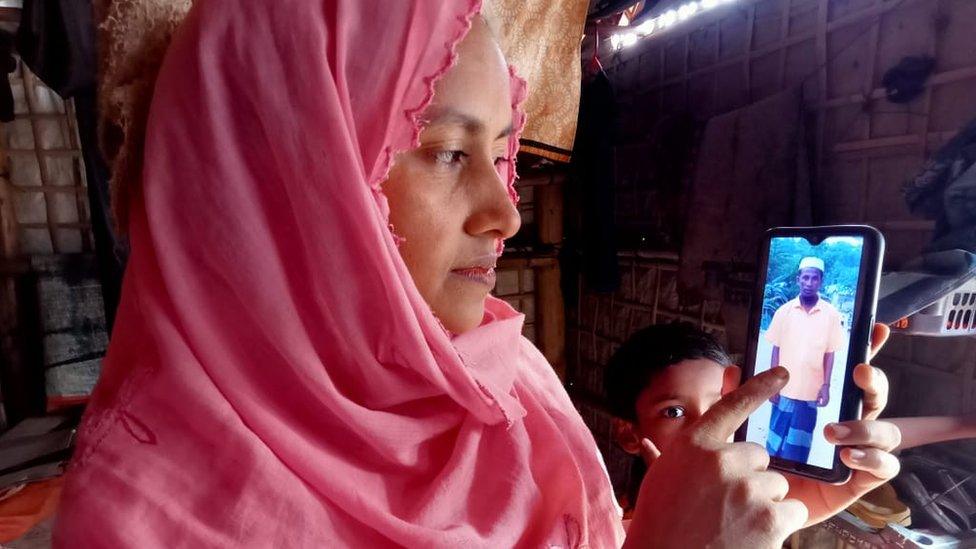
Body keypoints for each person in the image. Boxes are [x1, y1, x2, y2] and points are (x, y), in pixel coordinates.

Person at [54, 2, 896, 547]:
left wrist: (737, 519)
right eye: (448, 152)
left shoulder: (505, 380)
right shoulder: (144, 520)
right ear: (280, 178)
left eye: (502, 156)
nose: (507, 214)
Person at [766, 256, 846, 462]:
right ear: (798, 279)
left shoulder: (831, 315)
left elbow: (830, 353)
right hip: (783, 388)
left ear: (821, 281)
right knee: (774, 443)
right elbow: (776, 349)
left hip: (810, 392)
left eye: (814, 278)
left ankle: (795, 479)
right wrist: (771, 384)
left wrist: (826, 385)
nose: (809, 283)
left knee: (798, 447)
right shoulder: (784, 312)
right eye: (805, 278)